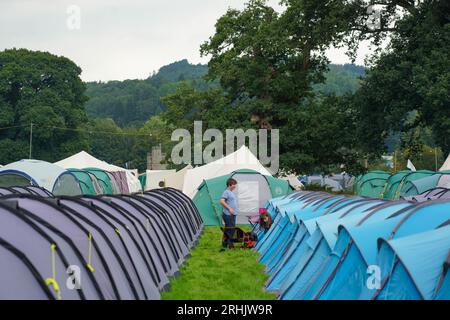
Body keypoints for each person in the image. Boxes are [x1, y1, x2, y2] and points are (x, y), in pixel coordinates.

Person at [220, 178, 238, 248]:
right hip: (228, 214)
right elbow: (221, 201)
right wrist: (229, 208)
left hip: (232, 215)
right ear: (230, 184)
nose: (235, 186)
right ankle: (230, 245)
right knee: (230, 230)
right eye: (234, 184)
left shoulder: (231, 192)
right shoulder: (226, 192)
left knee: (229, 230)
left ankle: (225, 244)